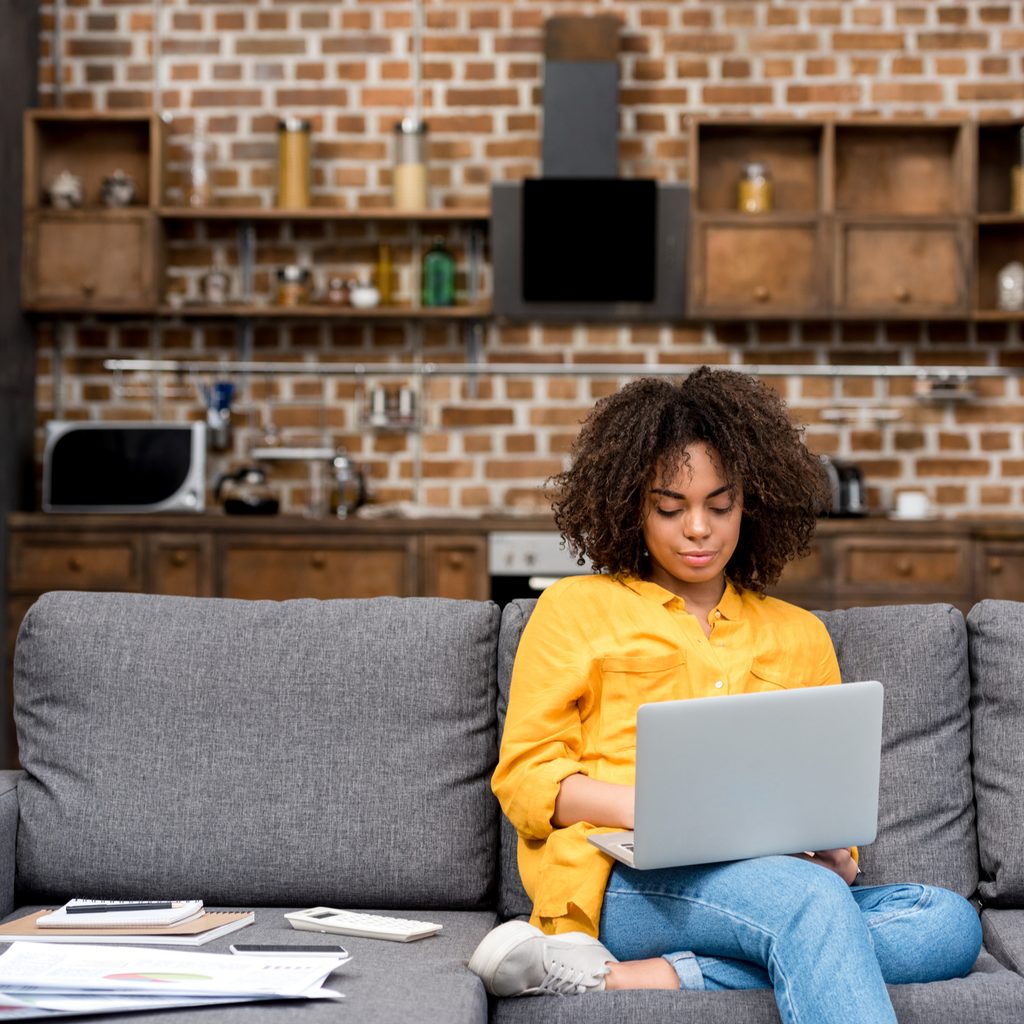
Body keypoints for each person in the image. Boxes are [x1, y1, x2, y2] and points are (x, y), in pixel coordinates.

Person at [468, 368, 981, 1022]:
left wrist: (830, 855)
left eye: (720, 504)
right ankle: (729, 939)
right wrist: (653, 809)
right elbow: (527, 777)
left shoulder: (799, 634)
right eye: (670, 507)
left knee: (947, 922)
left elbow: (831, 812)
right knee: (810, 906)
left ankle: (629, 981)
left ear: (752, 503)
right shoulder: (575, 608)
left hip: (774, 880)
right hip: (625, 880)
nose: (698, 530)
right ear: (632, 504)